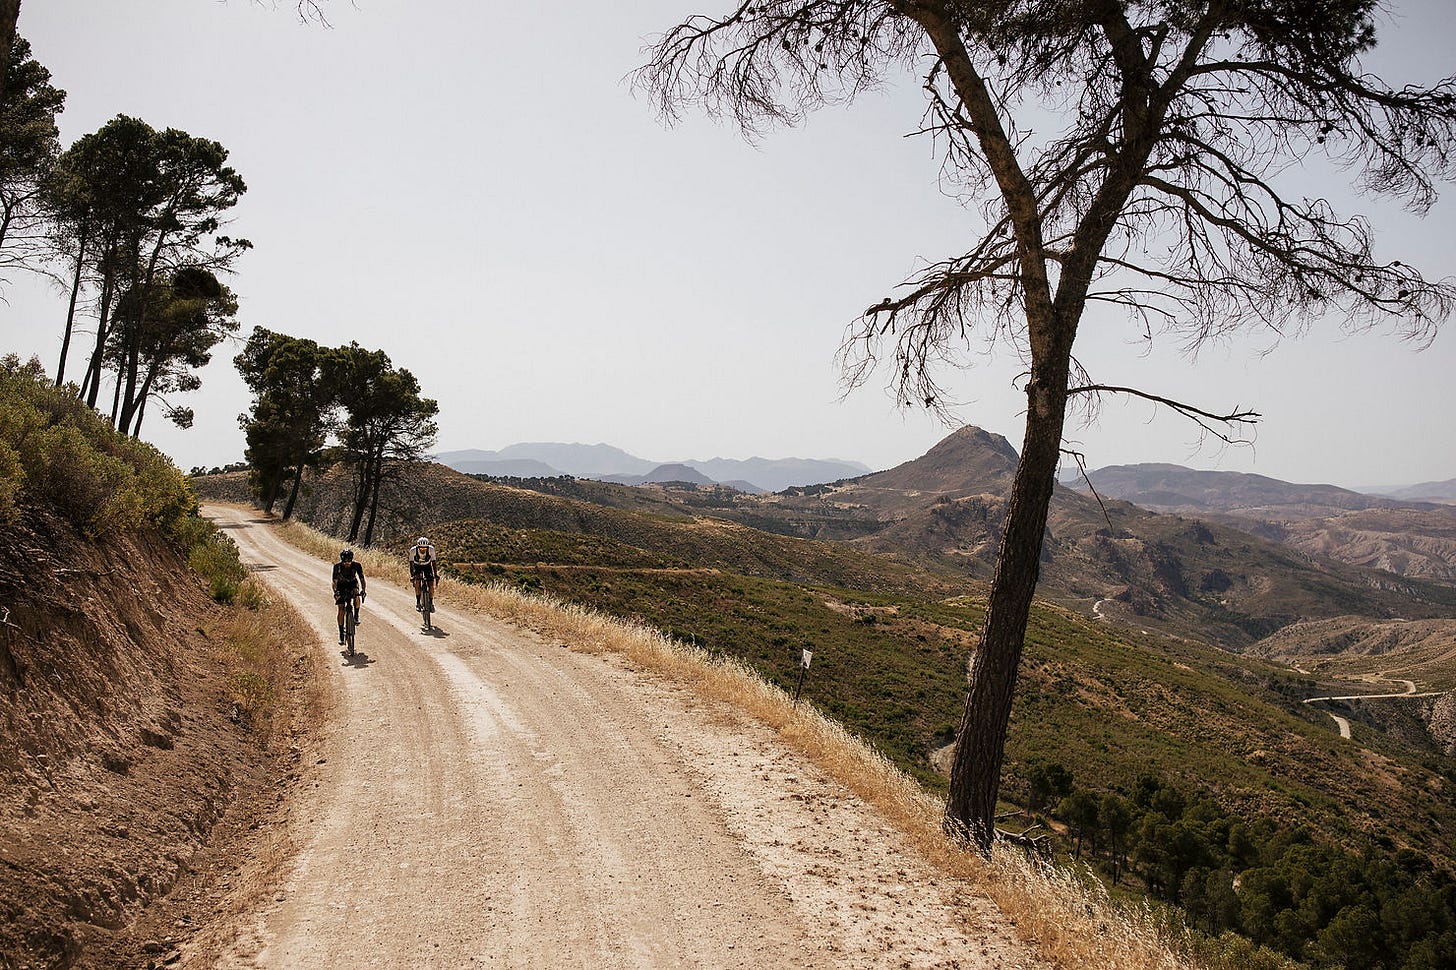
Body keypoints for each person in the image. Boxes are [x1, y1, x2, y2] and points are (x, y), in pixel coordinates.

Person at [332, 548, 366, 644]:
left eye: (349, 561)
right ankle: (341, 634)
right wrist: (336, 592)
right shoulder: (337, 567)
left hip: (352, 583)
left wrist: (363, 590)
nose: (347, 563)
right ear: (342, 560)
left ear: (352, 559)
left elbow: (362, 578)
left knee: (356, 593)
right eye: (345, 561)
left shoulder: (357, 565)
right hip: (341, 586)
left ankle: (356, 616)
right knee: (341, 609)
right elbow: (334, 581)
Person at [410, 536, 438, 612]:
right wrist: (412, 576)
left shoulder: (431, 549)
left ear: (427, 547)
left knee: (431, 584)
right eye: (421, 548)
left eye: (425, 548)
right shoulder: (413, 550)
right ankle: (418, 602)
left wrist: (435, 574)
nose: (423, 550)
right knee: (417, 582)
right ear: (418, 547)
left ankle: (431, 603)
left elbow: (433, 562)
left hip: (427, 566)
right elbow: (411, 564)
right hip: (417, 566)